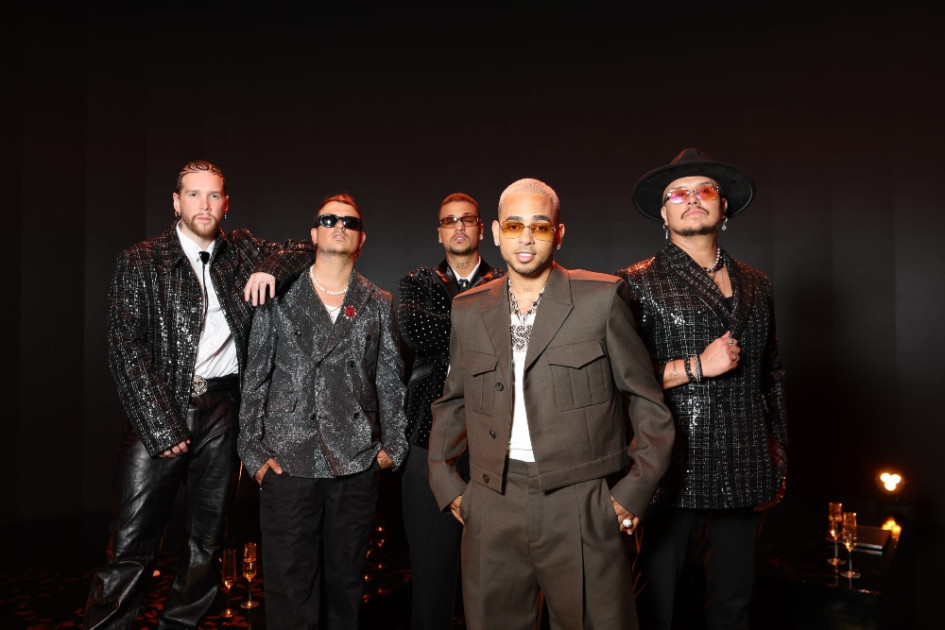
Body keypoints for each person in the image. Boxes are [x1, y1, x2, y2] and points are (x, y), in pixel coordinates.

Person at [428, 177, 675, 630]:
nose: (526, 238)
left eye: (539, 227)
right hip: (492, 501)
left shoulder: (601, 298)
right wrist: (448, 484)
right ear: (496, 232)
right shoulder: (468, 308)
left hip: (579, 502)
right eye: (514, 225)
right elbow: (452, 402)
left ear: (558, 234)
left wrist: (631, 493)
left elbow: (647, 401)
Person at [85, 160, 316, 630]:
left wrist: (268, 268)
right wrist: (159, 424)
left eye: (214, 195)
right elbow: (125, 347)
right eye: (194, 195)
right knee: (130, 547)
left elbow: (303, 249)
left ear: (226, 204)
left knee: (206, 546)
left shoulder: (241, 250)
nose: (204, 205)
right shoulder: (141, 259)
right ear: (176, 202)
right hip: (161, 405)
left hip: (223, 410)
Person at [616, 148, 788, 630]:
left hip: (747, 463)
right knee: (655, 604)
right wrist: (696, 367)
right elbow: (617, 378)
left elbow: (772, 373)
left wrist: (778, 451)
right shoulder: (635, 283)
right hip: (669, 464)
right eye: (678, 194)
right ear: (664, 213)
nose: (692, 199)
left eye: (704, 190)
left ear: (723, 205)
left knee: (734, 602)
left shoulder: (757, 283)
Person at [238, 193, 409, 630]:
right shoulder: (279, 295)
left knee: (344, 591)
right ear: (313, 234)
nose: (339, 227)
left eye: (349, 222)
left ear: (361, 239)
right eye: (329, 220)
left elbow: (390, 381)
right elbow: (255, 377)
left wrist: (392, 449)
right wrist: (254, 454)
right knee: (289, 594)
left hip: (354, 464)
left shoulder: (376, 301)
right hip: (288, 463)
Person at [397, 192, 504, 630]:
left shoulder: (506, 278)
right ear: (439, 232)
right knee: (430, 577)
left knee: (497, 579)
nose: (458, 227)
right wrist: (487, 327)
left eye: (467, 219)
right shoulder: (416, 282)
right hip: (428, 438)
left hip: (495, 441)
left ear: (481, 228)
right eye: (449, 221)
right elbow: (418, 333)